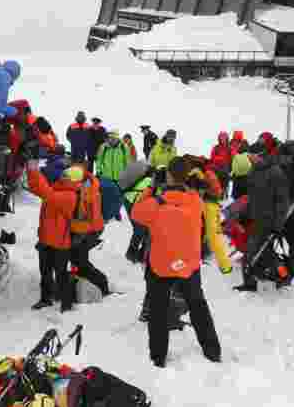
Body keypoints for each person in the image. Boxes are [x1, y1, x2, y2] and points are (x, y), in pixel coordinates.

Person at [132, 156, 222, 368]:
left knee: (158, 309)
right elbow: (197, 193)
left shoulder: (155, 204)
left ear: (168, 176)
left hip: (161, 265)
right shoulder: (195, 201)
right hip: (188, 264)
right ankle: (212, 351)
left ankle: (158, 356)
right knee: (198, 306)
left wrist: (151, 188)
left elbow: (136, 213)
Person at [27, 161, 82, 312]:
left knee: (61, 274)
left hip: (60, 243)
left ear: (73, 181)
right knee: (45, 273)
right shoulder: (57, 189)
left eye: (66, 176)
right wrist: (30, 170)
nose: (62, 176)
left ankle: (66, 304)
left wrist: (35, 170)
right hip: (46, 239)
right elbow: (36, 188)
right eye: (64, 174)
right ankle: (46, 299)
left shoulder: (70, 196)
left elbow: (47, 194)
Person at [235, 152, 289, 292]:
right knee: (266, 253)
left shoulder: (275, 172)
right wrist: (244, 215)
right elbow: (252, 197)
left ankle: (251, 283)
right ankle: (283, 276)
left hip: (269, 220)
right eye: (248, 157)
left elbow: (282, 202)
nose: (249, 159)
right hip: (256, 218)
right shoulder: (254, 171)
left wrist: (278, 224)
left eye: (251, 156)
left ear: (260, 155)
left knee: (252, 252)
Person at [68, 166, 110, 298]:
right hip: (91, 229)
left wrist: (76, 238)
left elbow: (83, 220)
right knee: (78, 259)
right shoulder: (89, 186)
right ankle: (83, 284)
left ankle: (102, 285)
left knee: (79, 260)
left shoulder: (85, 194)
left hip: (88, 231)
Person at [188, 162, 233, 275]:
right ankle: (222, 264)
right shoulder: (206, 175)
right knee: (211, 234)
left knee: (212, 236)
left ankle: (225, 266)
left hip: (208, 206)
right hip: (211, 205)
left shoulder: (197, 176)